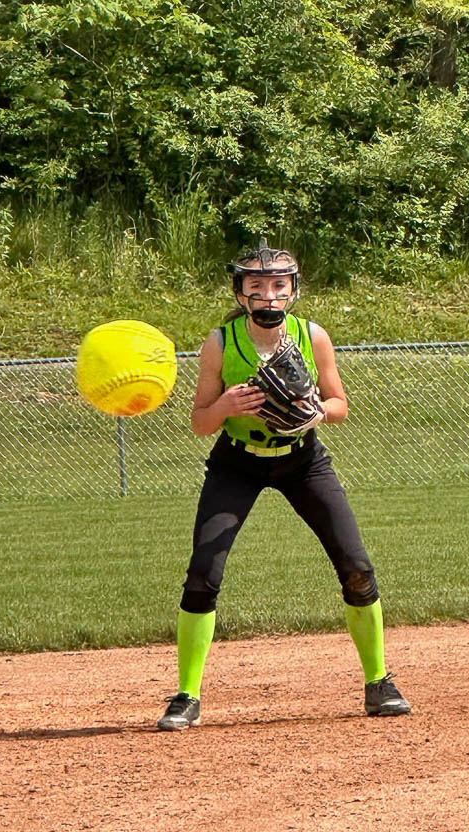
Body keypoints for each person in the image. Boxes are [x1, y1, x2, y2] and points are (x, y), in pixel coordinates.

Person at [157, 240, 411, 731]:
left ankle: (379, 683)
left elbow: (340, 405)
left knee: (356, 567)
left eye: (279, 286)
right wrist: (226, 407)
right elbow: (200, 423)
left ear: (293, 291)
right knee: (203, 572)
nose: (269, 296)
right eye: (257, 286)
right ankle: (187, 695)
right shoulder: (220, 342)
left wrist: (317, 411)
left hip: (303, 460)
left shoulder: (312, 336)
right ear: (241, 293)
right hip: (237, 463)